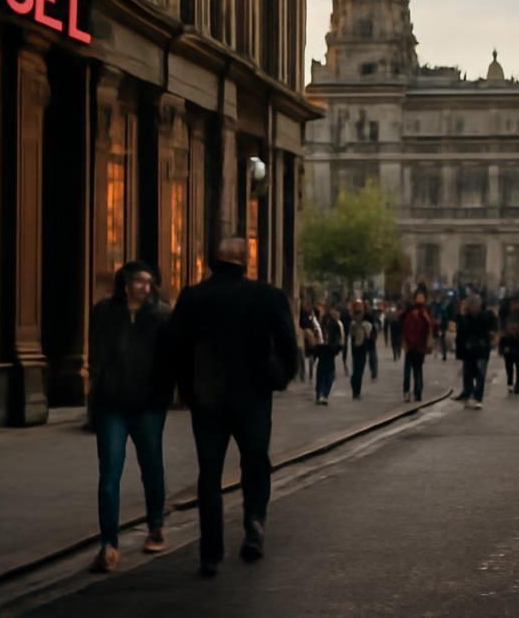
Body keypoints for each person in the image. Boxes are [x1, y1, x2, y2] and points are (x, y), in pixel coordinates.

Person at [166, 237, 298, 578]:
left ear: (213, 262)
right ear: (245, 261)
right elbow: (288, 345)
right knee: (255, 462)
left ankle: (210, 552)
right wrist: (278, 379)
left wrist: (187, 390)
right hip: (252, 396)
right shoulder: (267, 296)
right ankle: (254, 522)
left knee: (209, 475)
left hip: (207, 398)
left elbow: (175, 349)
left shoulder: (193, 297)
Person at [87, 261, 172, 572]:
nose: (145, 287)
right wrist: (96, 394)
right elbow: (96, 355)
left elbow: (170, 360)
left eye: (150, 282)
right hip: (112, 405)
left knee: (151, 467)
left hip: (148, 406)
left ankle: (156, 526)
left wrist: (162, 395)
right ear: (125, 283)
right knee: (109, 474)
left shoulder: (162, 315)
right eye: (140, 281)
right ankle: (108, 544)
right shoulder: (103, 313)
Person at [455, 294, 495, 408]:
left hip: (480, 350)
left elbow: (487, 332)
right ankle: (469, 395)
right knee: (469, 373)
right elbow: (462, 331)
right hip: (471, 351)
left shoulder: (484, 316)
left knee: (480, 374)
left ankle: (477, 397)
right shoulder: (467, 317)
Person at [400, 287, 435, 402]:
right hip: (410, 346)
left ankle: (418, 393)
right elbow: (402, 323)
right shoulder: (410, 310)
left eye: (422, 297)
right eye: (418, 297)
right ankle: (406, 392)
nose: (420, 299)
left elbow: (430, 327)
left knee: (417, 371)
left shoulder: (426, 312)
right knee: (407, 372)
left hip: (420, 346)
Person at [316, 302, 344, 404]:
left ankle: (322, 394)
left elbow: (339, 338)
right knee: (327, 373)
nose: (337, 313)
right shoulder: (330, 321)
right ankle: (322, 394)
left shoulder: (332, 321)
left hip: (327, 350)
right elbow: (339, 338)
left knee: (325, 373)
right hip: (326, 349)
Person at [500, 302, 519, 395]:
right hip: (517, 346)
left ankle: (511, 383)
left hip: (510, 345)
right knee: (518, 367)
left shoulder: (509, 319)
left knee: (510, 366)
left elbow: (503, 333)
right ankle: (516, 384)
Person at [348, 299, 374, 400]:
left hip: (359, 346)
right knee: (358, 369)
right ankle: (356, 391)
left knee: (358, 369)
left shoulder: (359, 317)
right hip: (359, 346)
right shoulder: (358, 317)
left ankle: (356, 390)